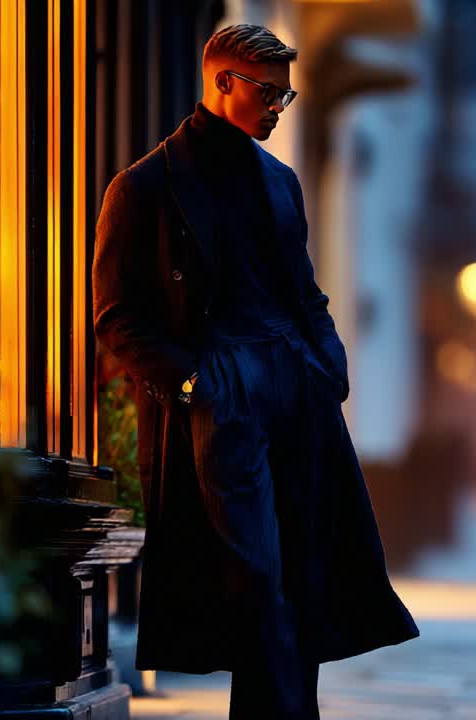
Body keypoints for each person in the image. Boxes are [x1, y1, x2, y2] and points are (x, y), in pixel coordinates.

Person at [92, 23, 419, 719]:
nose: (277, 108)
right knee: (256, 577)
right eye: (268, 93)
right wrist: (193, 384)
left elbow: (305, 293)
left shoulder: (280, 182)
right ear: (222, 83)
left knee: (302, 580)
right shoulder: (144, 187)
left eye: (285, 96)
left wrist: (329, 365)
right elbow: (116, 318)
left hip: (297, 390)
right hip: (222, 398)